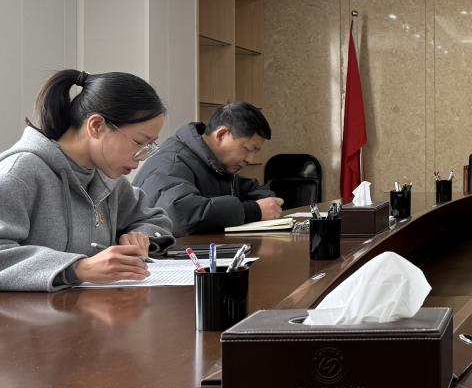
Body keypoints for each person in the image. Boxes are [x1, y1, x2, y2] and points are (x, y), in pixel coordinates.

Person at [0, 70, 174, 291]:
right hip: (26, 313)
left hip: (90, 307)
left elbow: (155, 219)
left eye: (150, 146)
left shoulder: (106, 176)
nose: (142, 156)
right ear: (97, 126)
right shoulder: (19, 173)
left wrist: (140, 236)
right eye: (140, 142)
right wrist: (78, 268)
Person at [135, 102, 283, 237]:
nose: (250, 159)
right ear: (221, 134)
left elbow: (250, 188)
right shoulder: (172, 163)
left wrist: (268, 202)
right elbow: (180, 214)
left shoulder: (216, 166)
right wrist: (254, 211)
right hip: (156, 255)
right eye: (247, 149)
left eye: (255, 152)